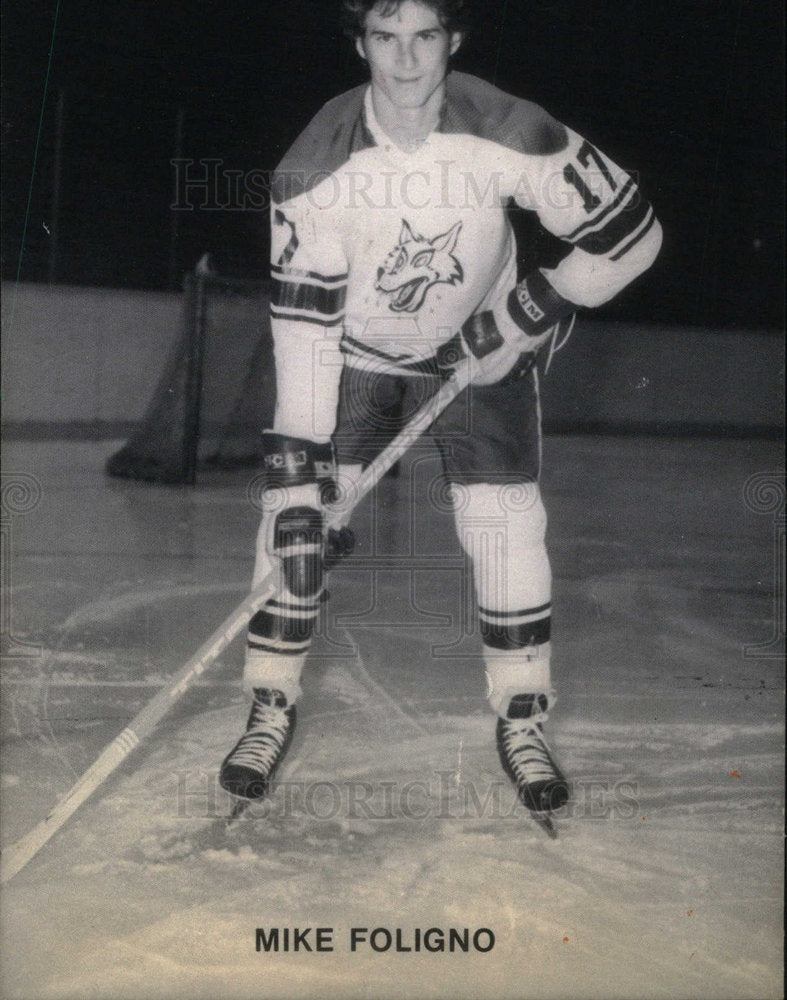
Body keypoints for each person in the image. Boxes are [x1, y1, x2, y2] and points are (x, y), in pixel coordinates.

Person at [219, 0, 662, 827]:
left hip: (478, 353)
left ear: (452, 40)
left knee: (504, 524)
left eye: (424, 37)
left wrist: (538, 303)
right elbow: (305, 341)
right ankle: (269, 703)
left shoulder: (508, 128)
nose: (405, 61)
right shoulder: (312, 172)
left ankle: (521, 716)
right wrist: (299, 485)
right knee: (291, 532)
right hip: (355, 361)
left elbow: (633, 233)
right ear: (360, 45)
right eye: (385, 39)